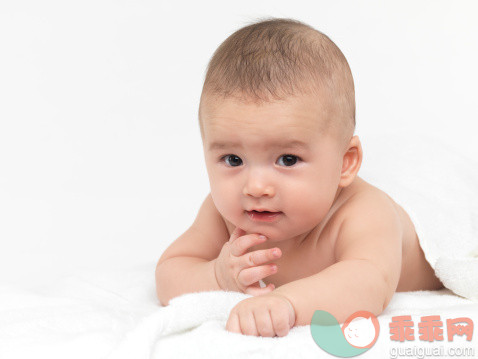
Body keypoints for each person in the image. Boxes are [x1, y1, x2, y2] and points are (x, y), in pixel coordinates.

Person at [155, 17, 443, 337]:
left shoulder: (363, 212)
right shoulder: (223, 214)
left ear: (345, 163)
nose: (256, 187)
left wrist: (287, 303)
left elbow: (370, 282)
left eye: (288, 159)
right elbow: (169, 271)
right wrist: (216, 277)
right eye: (233, 159)